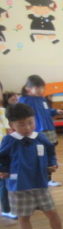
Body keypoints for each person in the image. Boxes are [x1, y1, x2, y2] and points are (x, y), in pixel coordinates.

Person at [0, 103, 63, 229]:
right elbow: (2, 157)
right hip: (19, 187)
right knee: (24, 217)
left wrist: (51, 163)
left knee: (52, 212)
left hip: (40, 184)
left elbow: (50, 151)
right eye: (22, 124)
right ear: (12, 125)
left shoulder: (40, 137)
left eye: (30, 122)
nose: (27, 127)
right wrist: (3, 170)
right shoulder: (9, 140)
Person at [19, 74, 63, 187]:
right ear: (28, 88)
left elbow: (46, 111)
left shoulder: (42, 99)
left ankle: (48, 179)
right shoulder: (25, 100)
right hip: (37, 131)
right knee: (37, 155)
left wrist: (55, 111)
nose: (40, 90)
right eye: (37, 87)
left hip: (49, 129)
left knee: (49, 154)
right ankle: (36, 178)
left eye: (42, 87)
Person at [0, 80, 15, 219]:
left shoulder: (4, 111)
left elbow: (10, 130)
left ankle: (7, 208)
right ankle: (5, 208)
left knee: (5, 180)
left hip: (5, 151)